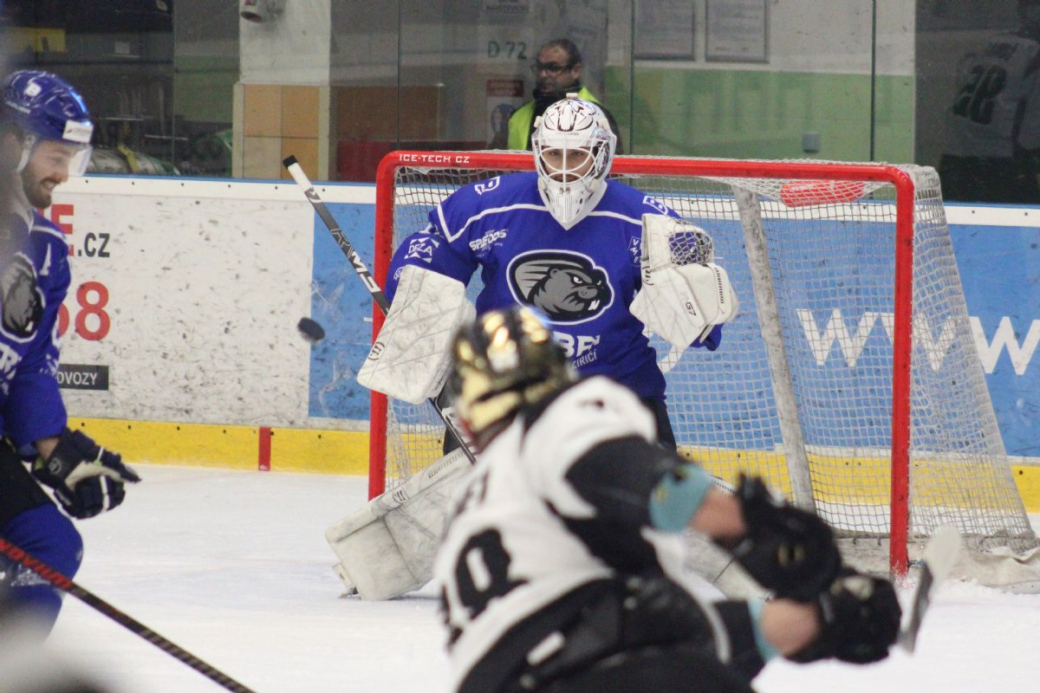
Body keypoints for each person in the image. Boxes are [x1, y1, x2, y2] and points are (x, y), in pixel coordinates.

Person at [329, 96, 739, 601]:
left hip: (618, 393)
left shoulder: (650, 221)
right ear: (537, 152)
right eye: (555, 156)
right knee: (480, 538)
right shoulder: (486, 203)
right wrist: (417, 295)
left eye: (578, 157)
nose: (565, 171)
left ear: (604, 156)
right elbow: (429, 253)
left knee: (648, 533)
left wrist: (694, 307)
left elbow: (706, 329)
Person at [434, 305, 902, 693]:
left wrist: (826, 618)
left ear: (470, 424)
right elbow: (666, 491)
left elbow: (677, 633)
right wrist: (765, 535)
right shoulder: (554, 422)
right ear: (560, 374)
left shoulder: (469, 512)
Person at [0, 70, 140, 637]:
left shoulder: (48, 250)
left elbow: (29, 364)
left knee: (49, 546)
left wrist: (54, 449)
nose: (62, 175)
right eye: (55, 155)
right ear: (11, 142)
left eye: (72, 160)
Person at [938, 0, 1040, 203]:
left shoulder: (995, 42)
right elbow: (1031, 134)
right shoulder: (1034, 53)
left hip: (956, 161)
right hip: (999, 169)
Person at [490, 39, 624, 154]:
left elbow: (612, 172)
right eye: (539, 68)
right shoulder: (519, 116)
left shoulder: (597, 116)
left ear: (576, 71)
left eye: (553, 68)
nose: (543, 75)